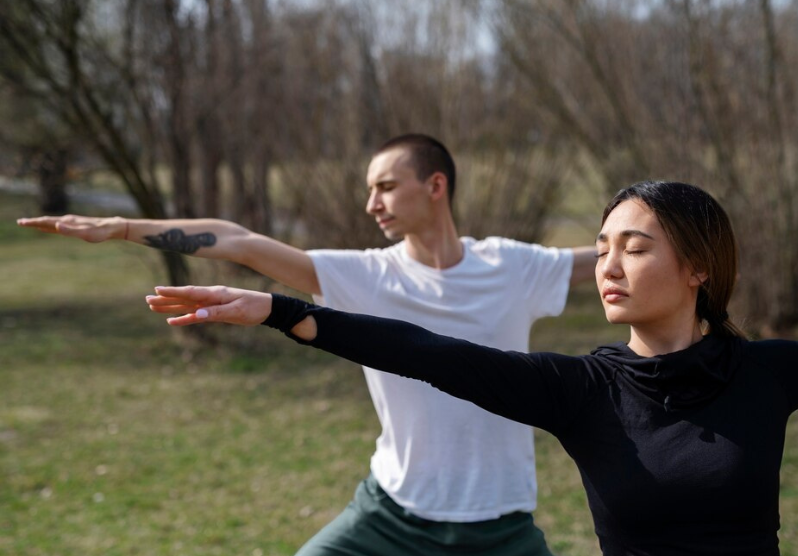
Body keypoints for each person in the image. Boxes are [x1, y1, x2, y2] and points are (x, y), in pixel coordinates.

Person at [146, 180, 798, 556]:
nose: (608, 266)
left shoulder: (768, 372)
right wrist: (278, 310)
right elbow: (426, 352)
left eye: (634, 249)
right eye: (602, 249)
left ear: (698, 267)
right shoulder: (583, 391)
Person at [18, 133, 597, 556]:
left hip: (499, 524)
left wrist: (653, 230)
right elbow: (241, 242)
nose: (371, 204)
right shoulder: (364, 275)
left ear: (435, 186)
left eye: (386, 187)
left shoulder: (511, 266)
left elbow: (608, 259)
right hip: (391, 514)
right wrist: (123, 228)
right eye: (369, 190)